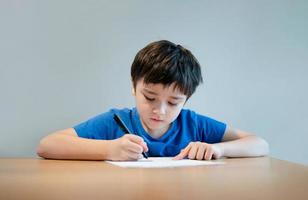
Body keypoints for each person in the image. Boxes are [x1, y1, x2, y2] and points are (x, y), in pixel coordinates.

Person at [37, 40, 269, 161]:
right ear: (133, 87)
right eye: (149, 97)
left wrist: (217, 149)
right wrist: (109, 149)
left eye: (174, 102)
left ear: (186, 100)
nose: (160, 110)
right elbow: (47, 145)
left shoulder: (193, 124)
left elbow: (260, 144)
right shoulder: (117, 121)